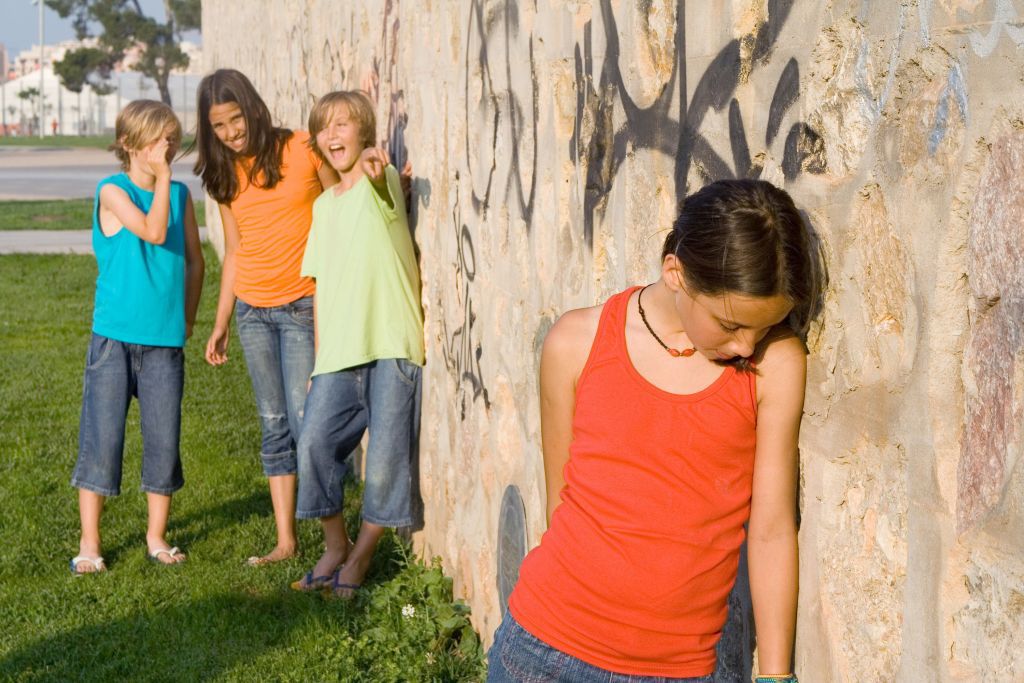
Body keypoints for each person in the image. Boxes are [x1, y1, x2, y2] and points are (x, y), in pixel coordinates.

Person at [487, 179, 826, 682]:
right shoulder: (575, 342)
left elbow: (773, 529)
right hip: (541, 652)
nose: (744, 347)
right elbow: (561, 501)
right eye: (730, 324)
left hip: (678, 671)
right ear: (676, 273)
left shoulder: (774, 365)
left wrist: (776, 676)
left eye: (763, 327)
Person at [193, 69, 339, 566]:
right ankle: (286, 541)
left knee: (308, 424)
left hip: (303, 305)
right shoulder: (223, 176)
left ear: (254, 108)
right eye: (219, 125)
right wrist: (220, 322)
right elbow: (234, 250)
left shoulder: (301, 147)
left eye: (236, 119)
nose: (232, 132)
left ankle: (332, 539)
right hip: (252, 311)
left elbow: (343, 204)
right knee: (273, 423)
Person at [290, 90, 424, 597]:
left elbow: (383, 182)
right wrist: (320, 358)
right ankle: (335, 545)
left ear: (364, 132)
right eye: (324, 128)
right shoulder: (323, 208)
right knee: (315, 445)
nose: (332, 135)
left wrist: (376, 165)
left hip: (391, 342)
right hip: (339, 354)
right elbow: (321, 287)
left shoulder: (380, 181)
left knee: (386, 457)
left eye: (343, 125)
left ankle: (363, 558)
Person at [70, 99, 204, 573]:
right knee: (102, 438)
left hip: (164, 343)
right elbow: (150, 230)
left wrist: (186, 320)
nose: (166, 147)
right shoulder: (112, 190)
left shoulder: (182, 197)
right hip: (113, 340)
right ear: (129, 144)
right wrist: (165, 178)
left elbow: (194, 260)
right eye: (156, 138)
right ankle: (90, 543)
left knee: (163, 440)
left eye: (170, 137)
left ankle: (156, 536)